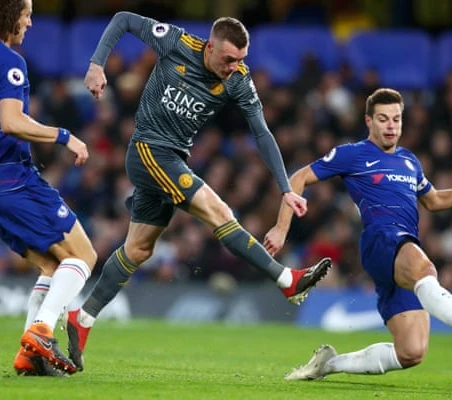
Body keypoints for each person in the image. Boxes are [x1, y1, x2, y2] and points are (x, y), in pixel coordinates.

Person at [64, 13, 332, 372]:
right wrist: (97, 65)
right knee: (218, 210)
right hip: (147, 149)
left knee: (138, 249)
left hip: (173, 158)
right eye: (228, 59)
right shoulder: (177, 43)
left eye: (241, 59)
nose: (234, 67)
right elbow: (123, 20)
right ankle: (287, 279)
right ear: (209, 47)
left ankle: (82, 318)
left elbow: (262, 133)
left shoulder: (239, 79)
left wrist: (285, 188)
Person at [263, 88, 452, 380]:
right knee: (425, 270)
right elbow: (299, 177)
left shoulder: (409, 161)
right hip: (381, 238)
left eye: (396, 119)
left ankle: (327, 365)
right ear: (369, 121)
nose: (391, 126)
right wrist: (281, 228)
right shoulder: (352, 154)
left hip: (402, 248)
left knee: (411, 352)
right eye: (383, 119)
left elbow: (434, 200)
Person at [0, 0, 97, 376]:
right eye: (26, 14)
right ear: (8, 15)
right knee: (83, 256)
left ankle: (30, 355)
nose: (30, 23)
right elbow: (12, 121)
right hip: (14, 179)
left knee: (52, 265)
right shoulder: (10, 62)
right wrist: (65, 136)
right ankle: (42, 331)